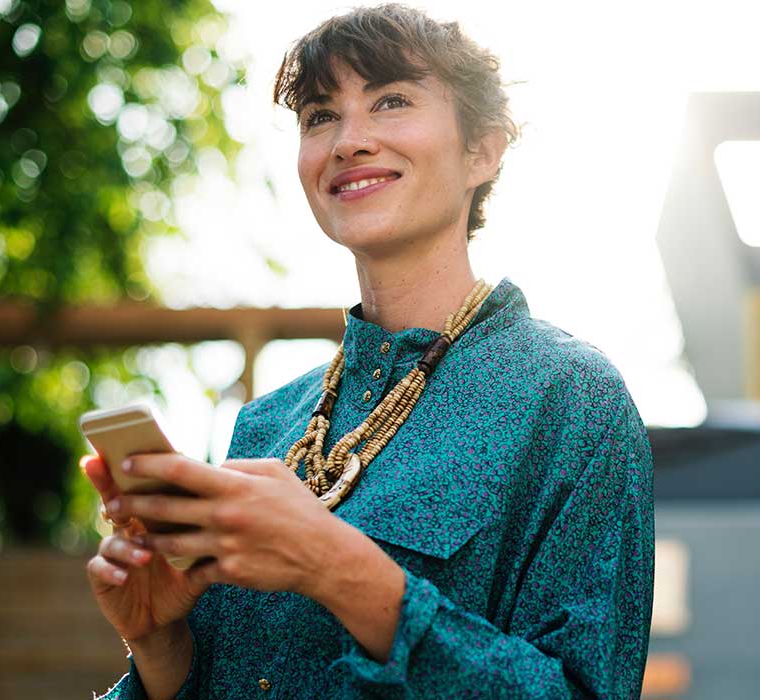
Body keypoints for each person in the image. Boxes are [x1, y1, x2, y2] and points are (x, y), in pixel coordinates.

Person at [82, 4, 655, 698]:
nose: (350, 140)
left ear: (483, 150)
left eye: (390, 101)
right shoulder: (266, 427)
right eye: (321, 115)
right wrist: (159, 645)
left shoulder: (571, 399)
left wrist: (335, 567)